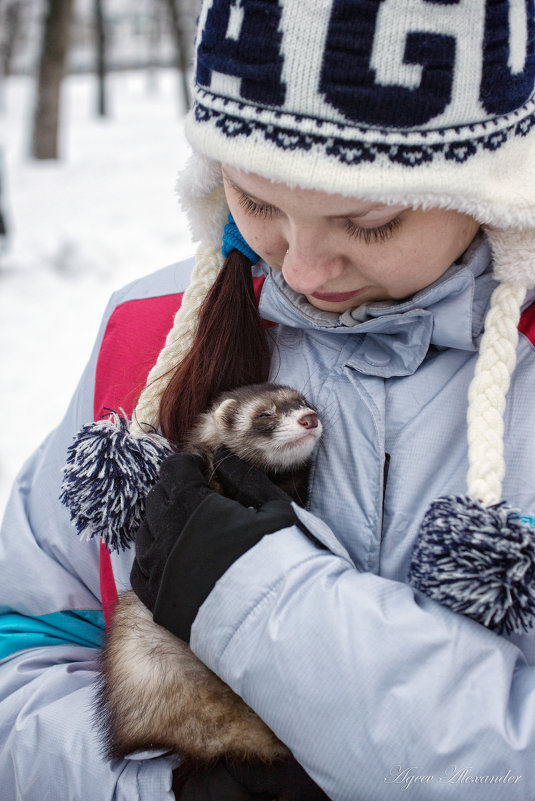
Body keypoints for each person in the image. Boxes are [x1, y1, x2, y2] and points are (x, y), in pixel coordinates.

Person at [2, 0, 535, 799]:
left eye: (370, 221)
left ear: (491, 187)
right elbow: (25, 645)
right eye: (256, 202)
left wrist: (266, 601)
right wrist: (164, 791)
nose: (304, 270)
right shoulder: (145, 342)